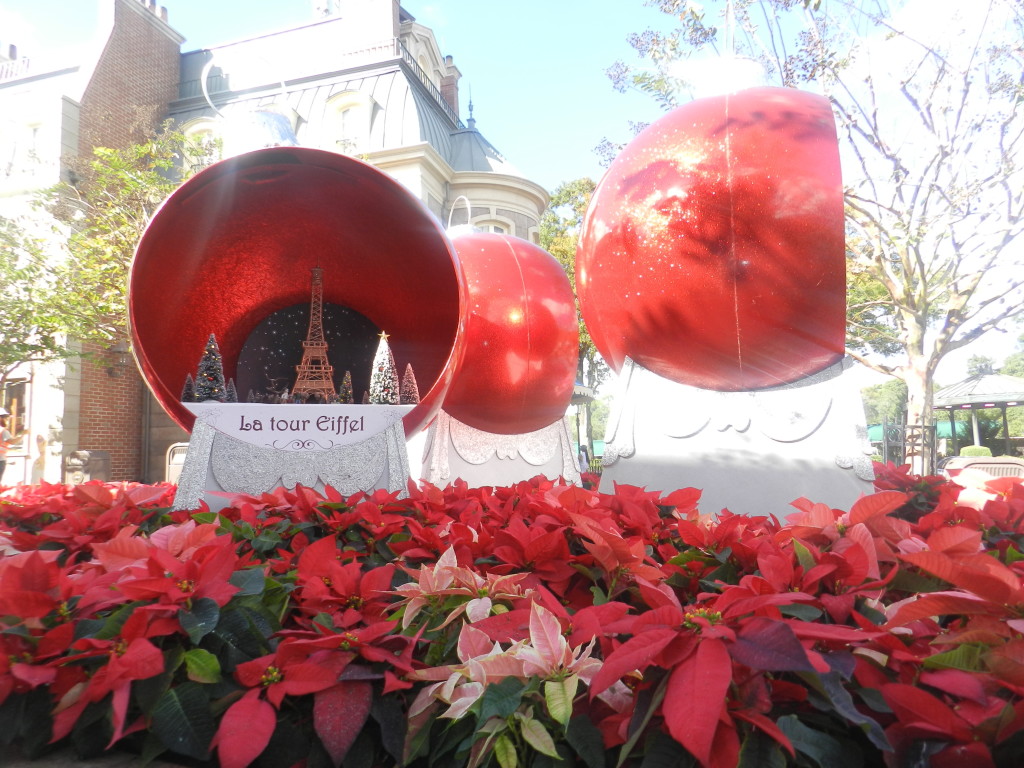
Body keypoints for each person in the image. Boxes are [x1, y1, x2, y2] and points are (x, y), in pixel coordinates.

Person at [0, 409, 13, 483]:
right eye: (6, 418)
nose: (7, 421)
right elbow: (12, 441)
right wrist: (23, 434)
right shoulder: (3, 431)